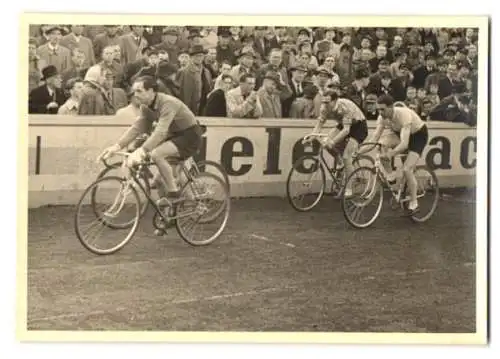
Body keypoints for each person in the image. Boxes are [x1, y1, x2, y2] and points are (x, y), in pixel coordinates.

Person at [97, 75, 203, 206]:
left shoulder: (168, 103)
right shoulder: (145, 107)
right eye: (134, 91)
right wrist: (117, 146)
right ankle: (179, 210)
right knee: (158, 180)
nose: (135, 95)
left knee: (156, 154)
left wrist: (142, 151)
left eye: (139, 91)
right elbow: (137, 127)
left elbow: (160, 132)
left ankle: (173, 193)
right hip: (174, 135)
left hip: (190, 136)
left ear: (152, 91)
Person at [368, 94, 429, 214]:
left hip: (418, 136)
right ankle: (391, 176)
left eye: (383, 109)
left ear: (391, 107)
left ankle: (414, 203)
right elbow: (375, 137)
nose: (380, 112)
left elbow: (405, 144)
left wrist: (391, 154)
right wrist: (360, 151)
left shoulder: (403, 114)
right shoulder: (382, 117)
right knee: (382, 144)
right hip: (400, 134)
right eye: (378, 109)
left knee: (407, 169)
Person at [303, 89, 368, 196]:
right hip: (343, 124)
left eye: (327, 102)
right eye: (323, 102)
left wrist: (333, 142)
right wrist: (311, 137)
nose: (325, 105)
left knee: (347, 156)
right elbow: (319, 125)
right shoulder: (324, 107)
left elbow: (347, 130)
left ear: (335, 100)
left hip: (358, 126)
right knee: (326, 142)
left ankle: (349, 188)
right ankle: (339, 161)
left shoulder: (344, 106)